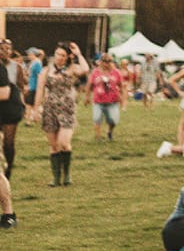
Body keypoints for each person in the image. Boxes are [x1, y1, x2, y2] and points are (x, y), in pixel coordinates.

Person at [35, 41, 89, 187]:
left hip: (67, 108)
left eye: (63, 55)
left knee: (63, 143)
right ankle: (56, 178)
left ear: (67, 57)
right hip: (50, 109)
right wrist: (35, 110)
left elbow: (85, 69)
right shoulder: (46, 70)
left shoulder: (72, 68)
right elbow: (40, 90)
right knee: (53, 145)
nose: (59, 57)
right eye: (58, 54)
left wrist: (78, 54)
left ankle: (67, 174)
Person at [0, 37, 26, 180]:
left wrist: (24, 105)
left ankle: (9, 166)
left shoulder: (16, 67)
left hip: (11, 105)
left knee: (8, 142)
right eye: (2, 49)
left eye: (7, 49)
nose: (5, 52)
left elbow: (21, 87)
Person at [89, 53, 125, 142]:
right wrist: (86, 96)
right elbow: (90, 84)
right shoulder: (95, 72)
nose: (107, 63)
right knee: (97, 118)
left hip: (112, 101)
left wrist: (123, 100)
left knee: (113, 120)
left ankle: (110, 132)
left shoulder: (116, 72)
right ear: (100, 62)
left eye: (109, 61)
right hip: (98, 101)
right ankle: (98, 137)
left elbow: (121, 86)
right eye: (104, 61)